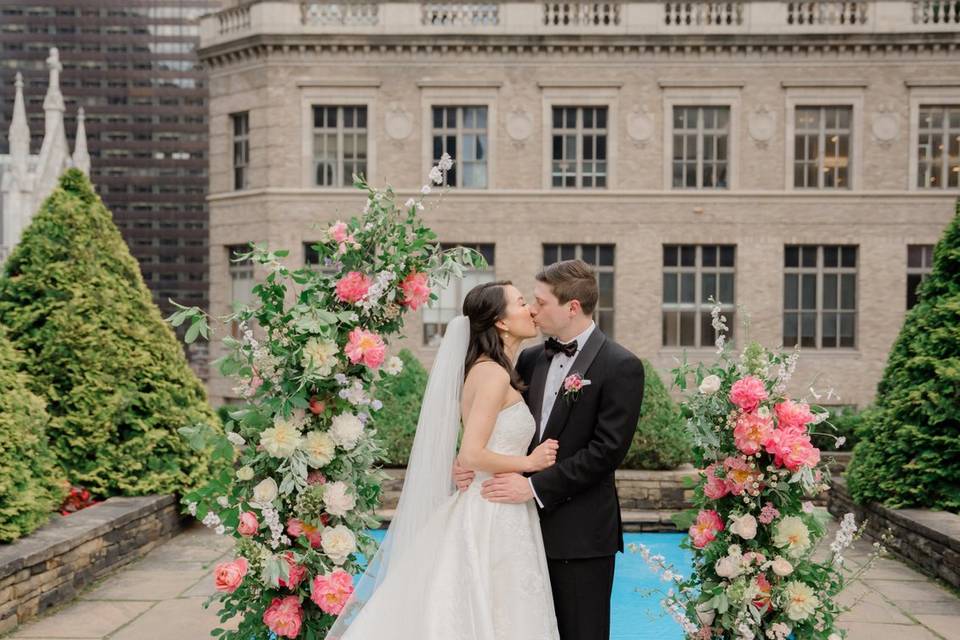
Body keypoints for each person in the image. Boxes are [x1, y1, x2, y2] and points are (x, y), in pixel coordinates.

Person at [326, 280, 561, 640]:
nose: (530, 309)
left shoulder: (495, 370)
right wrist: (529, 463)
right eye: (520, 302)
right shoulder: (492, 373)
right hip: (491, 511)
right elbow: (472, 453)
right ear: (500, 320)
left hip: (501, 505)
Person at [455, 259, 646, 640]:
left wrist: (534, 487)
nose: (533, 310)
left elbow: (605, 452)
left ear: (571, 307)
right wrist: (465, 463)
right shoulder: (527, 358)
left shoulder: (621, 365)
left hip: (579, 535)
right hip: (515, 529)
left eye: (540, 302)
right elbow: (496, 426)